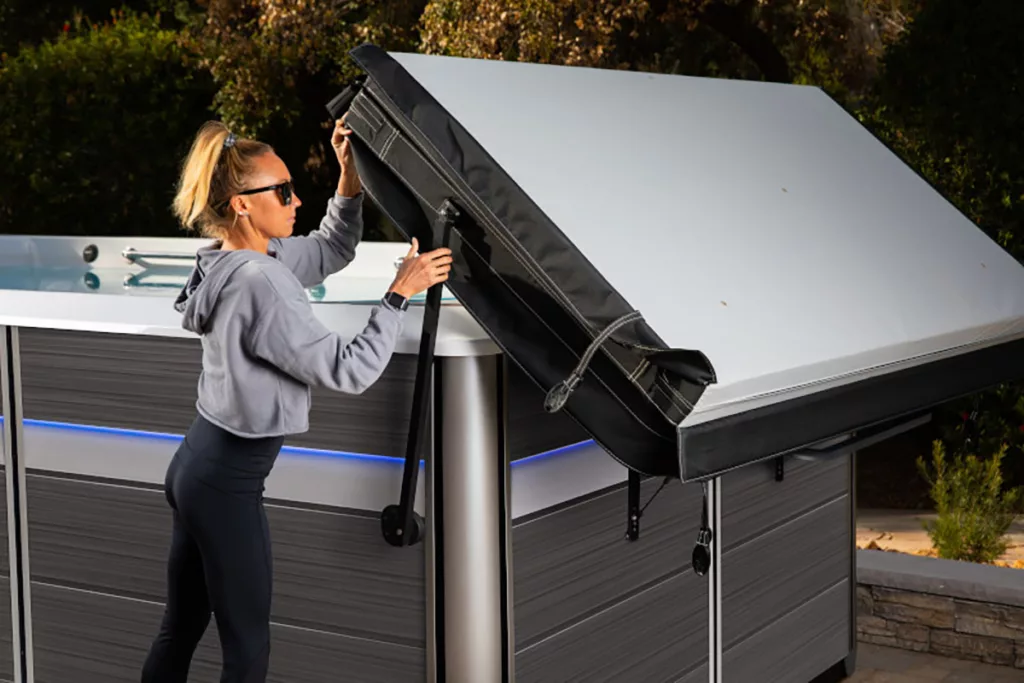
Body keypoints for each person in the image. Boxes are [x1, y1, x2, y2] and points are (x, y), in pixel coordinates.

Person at [140, 118, 452, 683]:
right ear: (241, 204)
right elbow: (349, 369)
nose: (296, 198)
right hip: (227, 484)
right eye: (282, 191)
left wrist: (348, 177)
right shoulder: (263, 281)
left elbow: (333, 247)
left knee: (180, 629)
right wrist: (398, 294)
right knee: (248, 650)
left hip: (194, 468)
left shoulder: (232, 257)